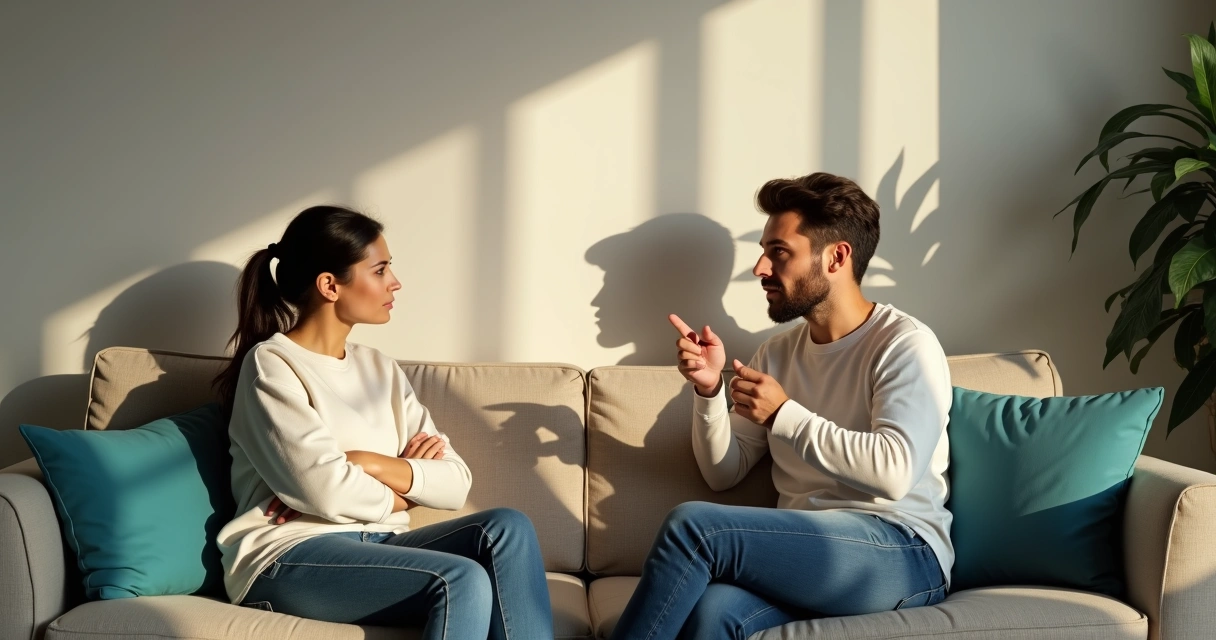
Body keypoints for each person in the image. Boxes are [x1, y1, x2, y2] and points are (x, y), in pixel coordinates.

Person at [610, 173, 953, 640]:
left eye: (779, 252)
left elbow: (894, 473)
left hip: (901, 550)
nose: (760, 268)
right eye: (763, 250)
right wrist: (710, 392)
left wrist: (783, 414)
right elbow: (722, 473)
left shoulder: (904, 344)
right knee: (713, 613)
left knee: (695, 527)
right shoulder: (777, 354)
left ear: (836, 257)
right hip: (808, 552)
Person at [211, 205, 553, 639]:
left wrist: (364, 461)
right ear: (330, 286)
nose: (395, 283)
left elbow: (455, 482)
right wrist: (410, 490)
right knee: (460, 578)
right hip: (287, 554)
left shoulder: (380, 370)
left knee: (508, 527)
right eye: (380, 270)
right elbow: (327, 491)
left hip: (380, 542)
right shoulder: (273, 366)